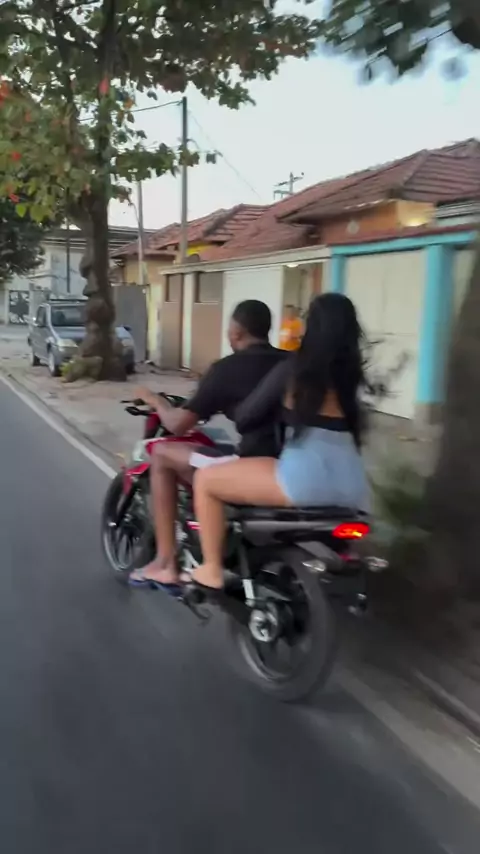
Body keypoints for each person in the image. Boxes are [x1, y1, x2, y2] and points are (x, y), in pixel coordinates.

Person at [189, 293, 371, 596]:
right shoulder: (352, 379)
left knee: (206, 481)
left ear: (312, 328)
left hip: (304, 478)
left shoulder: (294, 369)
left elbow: (247, 417)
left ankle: (211, 569)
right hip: (353, 485)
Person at [129, 299, 288, 593]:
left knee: (162, 453)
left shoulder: (226, 369)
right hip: (292, 462)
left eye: (229, 329)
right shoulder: (289, 363)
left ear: (236, 332)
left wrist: (155, 401)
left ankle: (165, 563)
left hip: (254, 465)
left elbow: (178, 425)